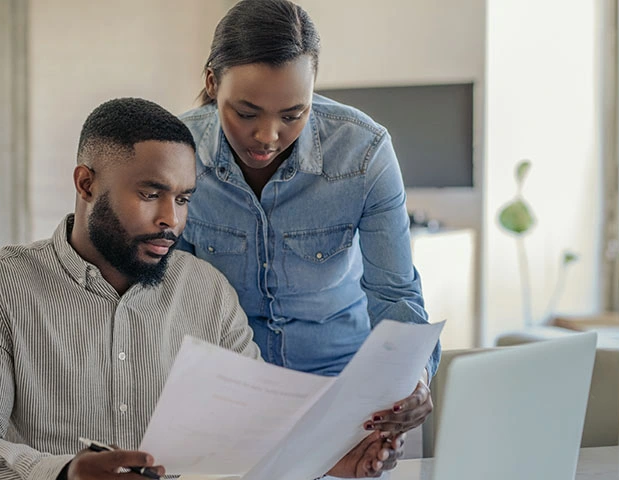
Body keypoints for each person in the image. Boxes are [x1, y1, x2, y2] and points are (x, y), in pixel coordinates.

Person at [0, 98, 401, 480]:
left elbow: (257, 429)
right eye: (151, 194)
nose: (171, 220)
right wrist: (62, 479)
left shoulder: (207, 292)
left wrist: (328, 459)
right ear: (86, 183)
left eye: (183, 198)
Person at [178, 0, 439, 441]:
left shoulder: (364, 153)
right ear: (211, 82)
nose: (268, 136)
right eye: (246, 113)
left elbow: (395, 295)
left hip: (342, 394)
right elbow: (164, 300)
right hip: (224, 397)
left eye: (293, 114)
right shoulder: (175, 152)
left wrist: (413, 378)